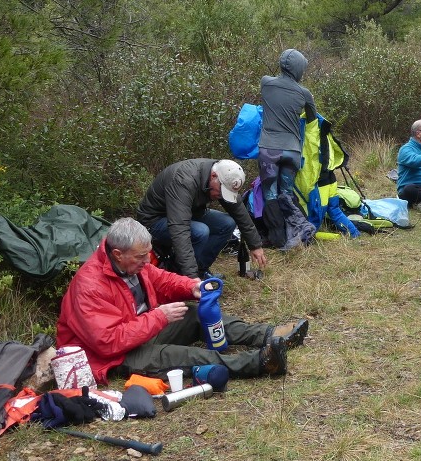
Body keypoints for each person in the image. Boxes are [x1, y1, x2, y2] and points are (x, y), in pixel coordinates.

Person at [56, 218, 309, 383]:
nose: (147, 262)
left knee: (195, 312)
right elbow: (108, 343)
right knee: (186, 356)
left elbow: (162, 279)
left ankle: (268, 334)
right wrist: (159, 317)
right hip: (115, 357)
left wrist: (193, 286)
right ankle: (260, 362)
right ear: (118, 254)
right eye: (141, 257)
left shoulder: (133, 263)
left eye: (148, 255)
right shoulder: (89, 287)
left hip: (141, 329)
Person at [136, 158, 268, 279]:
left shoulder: (222, 176)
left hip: (188, 213)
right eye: (221, 191)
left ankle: (201, 270)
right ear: (213, 176)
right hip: (155, 221)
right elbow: (179, 229)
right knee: (200, 231)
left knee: (227, 223)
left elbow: (239, 211)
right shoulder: (184, 181)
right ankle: (179, 276)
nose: (221, 196)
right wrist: (191, 278)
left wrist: (255, 245)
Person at [259, 49, 318, 249]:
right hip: (292, 151)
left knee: (271, 194)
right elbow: (312, 119)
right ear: (300, 68)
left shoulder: (266, 82)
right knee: (286, 193)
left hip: (269, 149)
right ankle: (301, 232)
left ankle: (277, 238)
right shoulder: (304, 93)